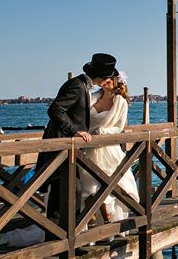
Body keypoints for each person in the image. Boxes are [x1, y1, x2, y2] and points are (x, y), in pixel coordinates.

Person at [36, 53, 119, 221]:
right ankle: (63, 240)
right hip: (63, 147)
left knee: (66, 193)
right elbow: (55, 110)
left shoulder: (83, 86)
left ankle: (62, 240)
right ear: (102, 77)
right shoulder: (77, 85)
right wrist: (74, 132)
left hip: (69, 149)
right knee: (69, 192)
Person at [78, 71, 139, 227]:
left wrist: (100, 132)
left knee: (107, 187)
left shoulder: (121, 102)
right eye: (103, 79)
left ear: (116, 81)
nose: (105, 82)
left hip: (107, 150)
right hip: (87, 148)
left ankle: (108, 224)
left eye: (109, 79)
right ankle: (90, 226)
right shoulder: (92, 97)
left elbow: (119, 128)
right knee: (88, 188)